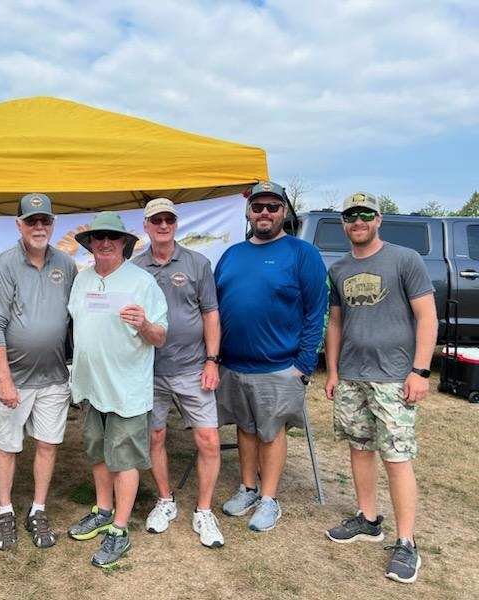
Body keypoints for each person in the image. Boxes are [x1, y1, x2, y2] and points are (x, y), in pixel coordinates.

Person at [324, 192, 436, 584]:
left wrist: (420, 371)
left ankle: (407, 542)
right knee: (359, 448)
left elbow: (427, 317)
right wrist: (334, 372)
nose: (358, 221)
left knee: (396, 456)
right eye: (350, 216)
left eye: (364, 214)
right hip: (352, 375)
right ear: (344, 223)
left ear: (378, 219)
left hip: (393, 377)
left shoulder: (405, 259)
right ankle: (369, 519)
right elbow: (335, 323)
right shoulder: (338, 269)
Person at [214, 180, 328, 532]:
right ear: (248, 213)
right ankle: (248, 488)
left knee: (271, 431)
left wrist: (304, 364)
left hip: (280, 365)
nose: (265, 213)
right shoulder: (232, 254)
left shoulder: (302, 253)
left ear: (284, 212)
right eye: (258, 207)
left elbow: (316, 311)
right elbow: (214, 307)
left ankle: (269, 498)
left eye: (273, 207)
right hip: (234, 364)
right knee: (245, 429)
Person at [67, 211, 168, 567]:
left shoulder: (142, 282)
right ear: (91, 244)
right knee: (97, 452)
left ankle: (120, 529)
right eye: (98, 238)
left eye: (112, 237)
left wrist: (144, 324)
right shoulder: (81, 280)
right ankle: (104, 509)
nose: (105, 243)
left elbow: (160, 336)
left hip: (127, 390)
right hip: (90, 387)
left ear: (124, 242)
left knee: (124, 458)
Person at [0, 193, 77, 550]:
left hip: (54, 377)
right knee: (7, 447)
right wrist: (4, 379)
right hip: (14, 380)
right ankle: (5, 510)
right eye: (32, 221)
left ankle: (38, 508)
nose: (39, 227)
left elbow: (75, 317)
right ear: (19, 224)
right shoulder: (6, 264)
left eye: (45, 221)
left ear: (52, 224)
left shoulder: (66, 265)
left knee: (48, 445)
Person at [132, 198, 224, 548]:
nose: (163, 225)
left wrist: (212, 360)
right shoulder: (135, 267)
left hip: (192, 368)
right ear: (146, 225)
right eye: (156, 220)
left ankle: (203, 511)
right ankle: (165, 500)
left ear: (176, 223)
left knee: (208, 441)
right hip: (149, 370)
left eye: (169, 219)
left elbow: (210, 314)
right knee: (154, 438)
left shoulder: (198, 263)